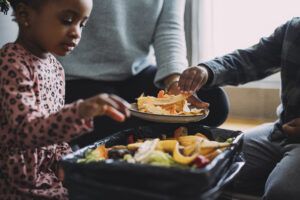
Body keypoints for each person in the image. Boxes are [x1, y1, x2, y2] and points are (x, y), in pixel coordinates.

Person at [0, 0, 130, 199]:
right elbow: (26, 131)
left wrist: (65, 161)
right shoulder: (11, 64)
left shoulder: (56, 68)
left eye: (82, 24)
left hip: (50, 174)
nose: (76, 32)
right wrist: (81, 111)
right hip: (19, 182)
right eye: (67, 20)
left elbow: (56, 134)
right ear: (25, 16)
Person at [59, 0, 229, 147]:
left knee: (215, 103)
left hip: (137, 71)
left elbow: (169, 27)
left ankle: (151, 137)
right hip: (77, 75)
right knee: (120, 125)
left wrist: (174, 82)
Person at [178, 17, 300, 200]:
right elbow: (249, 59)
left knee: (282, 193)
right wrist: (207, 71)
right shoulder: (294, 28)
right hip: (280, 131)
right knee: (213, 167)